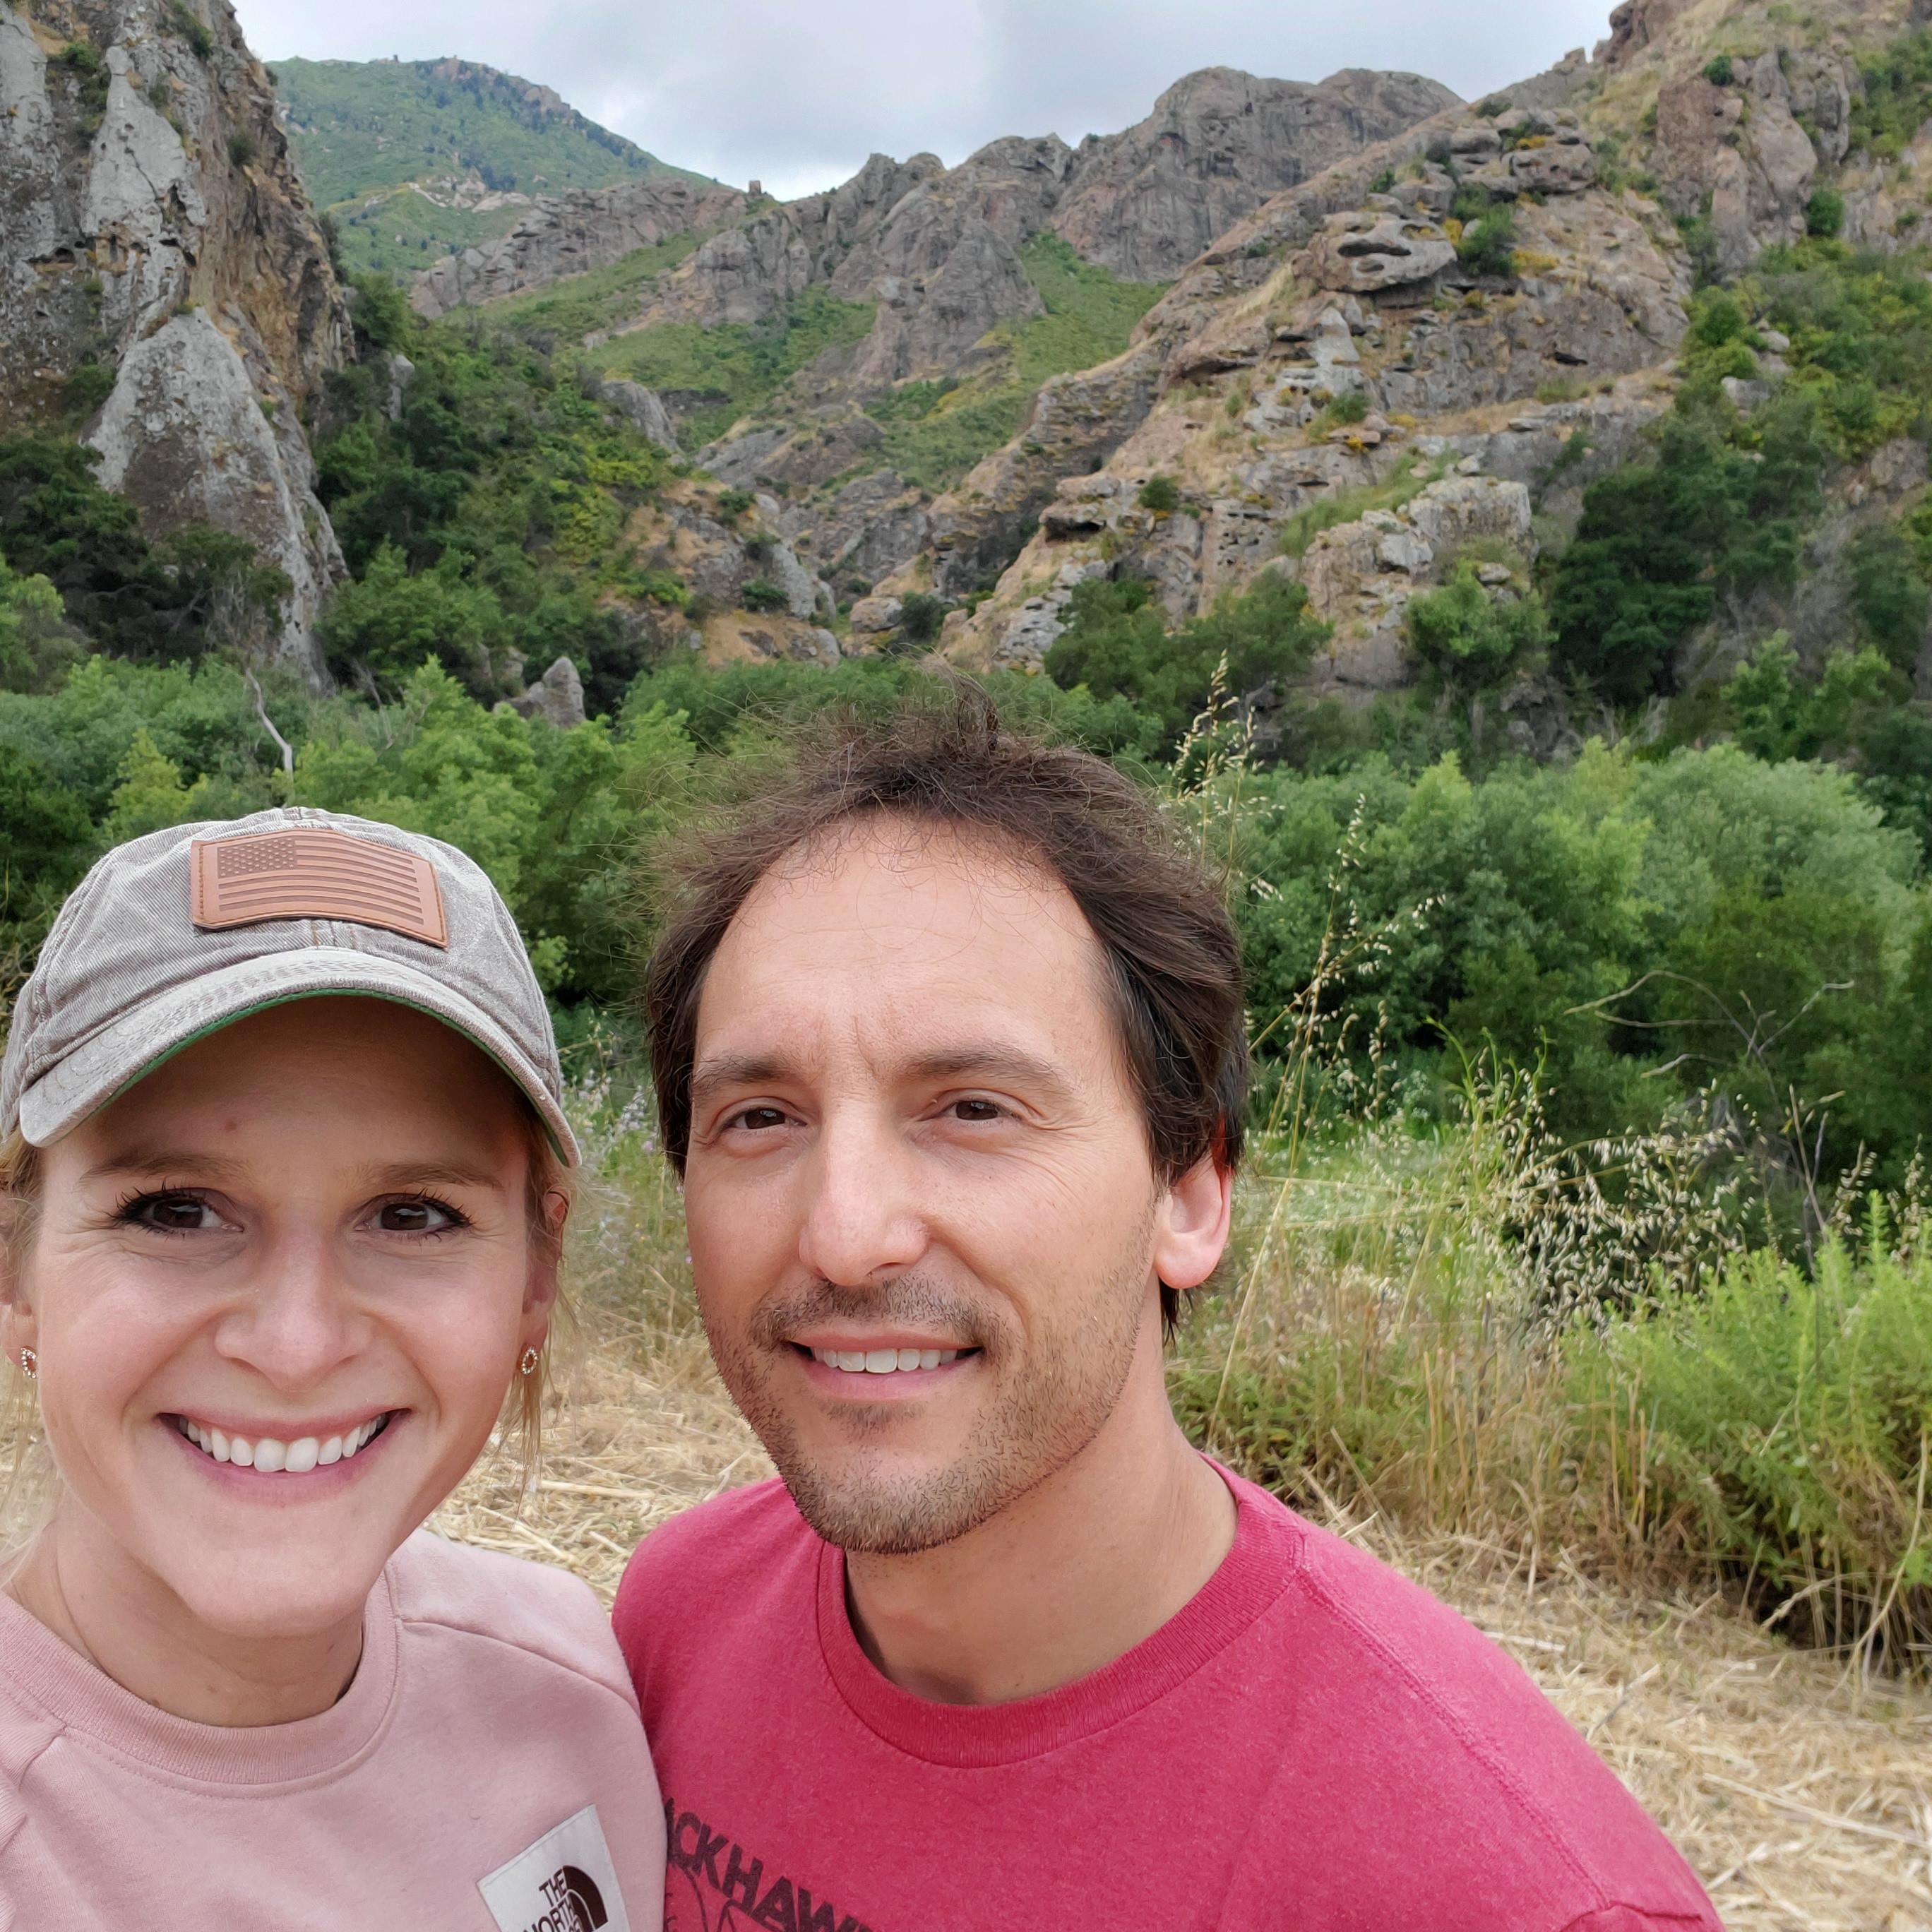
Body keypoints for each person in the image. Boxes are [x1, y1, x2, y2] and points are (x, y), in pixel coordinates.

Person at [614, 700, 1720, 1932]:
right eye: (760, 1117)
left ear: (1188, 1194)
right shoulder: (676, 1618)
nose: (844, 1232)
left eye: (973, 1108)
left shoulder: (1502, 1895)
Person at [0, 806, 664, 1931]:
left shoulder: (568, 1682)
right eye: (175, 1210)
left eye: (411, 1215)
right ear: (16, 1268)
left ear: (535, 1278)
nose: (299, 1346)